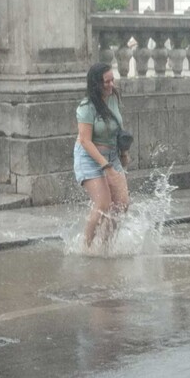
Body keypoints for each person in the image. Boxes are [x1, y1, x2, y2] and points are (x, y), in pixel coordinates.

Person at [74, 63, 130, 251]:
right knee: (103, 204)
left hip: (112, 155)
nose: (111, 85)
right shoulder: (86, 107)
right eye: (106, 81)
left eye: (112, 80)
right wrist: (106, 167)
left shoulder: (113, 97)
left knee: (122, 204)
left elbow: (117, 129)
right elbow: (85, 141)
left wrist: (123, 153)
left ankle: (106, 246)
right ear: (96, 84)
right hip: (89, 157)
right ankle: (86, 248)